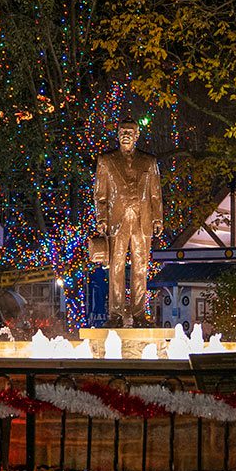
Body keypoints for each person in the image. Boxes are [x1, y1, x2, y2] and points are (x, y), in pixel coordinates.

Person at [93, 121, 163, 328]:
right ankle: (115, 314)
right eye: (123, 132)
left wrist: (158, 218)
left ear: (137, 135)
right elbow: (100, 194)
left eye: (130, 133)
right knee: (116, 268)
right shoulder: (106, 160)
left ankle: (139, 313)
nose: (126, 135)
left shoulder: (149, 161)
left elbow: (155, 194)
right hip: (117, 220)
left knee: (141, 268)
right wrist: (101, 218)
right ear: (117, 134)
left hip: (143, 220)